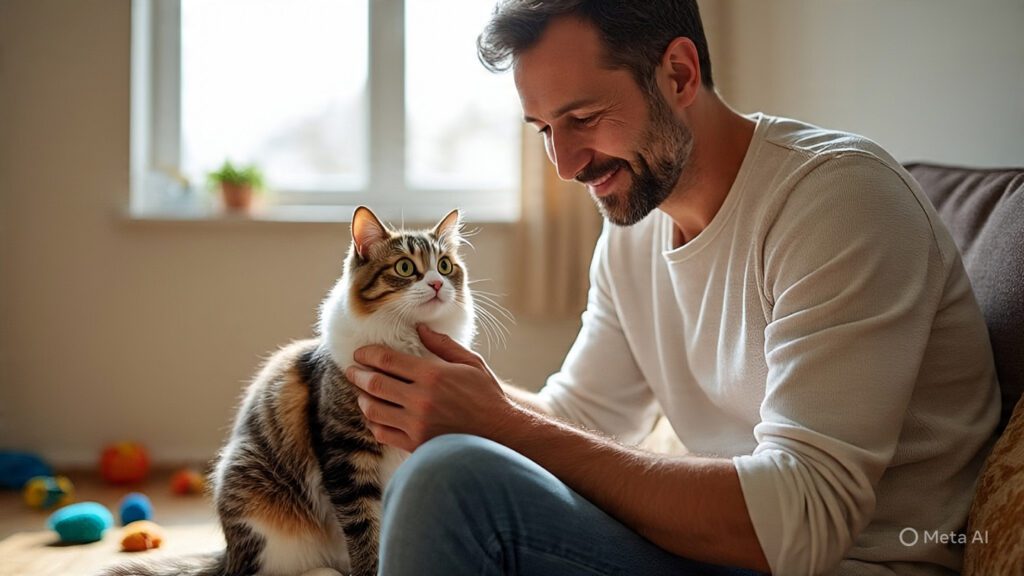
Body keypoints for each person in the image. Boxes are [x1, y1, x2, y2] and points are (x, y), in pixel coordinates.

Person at [345, 1, 1000, 574]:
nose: (567, 166)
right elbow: (580, 422)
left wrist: (501, 424)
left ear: (679, 74)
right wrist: (423, 380)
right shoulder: (633, 234)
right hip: (718, 553)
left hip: (839, 563)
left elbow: (801, 524)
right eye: (545, 130)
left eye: (584, 117)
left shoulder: (838, 202)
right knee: (448, 462)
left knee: (450, 483)